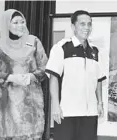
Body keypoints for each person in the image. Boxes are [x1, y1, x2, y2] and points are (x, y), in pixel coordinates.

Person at [45, 10, 105, 140]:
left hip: (90, 113)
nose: (87, 28)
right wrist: (55, 105)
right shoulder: (61, 47)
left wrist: (100, 103)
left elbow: (98, 80)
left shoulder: (95, 51)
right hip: (67, 111)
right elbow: (53, 77)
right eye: (82, 24)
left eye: (89, 24)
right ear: (73, 26)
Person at [0, 9, 48, 140]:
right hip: (6, 102)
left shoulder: (34, 41)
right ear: (7, 24)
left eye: (22, 22)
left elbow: (46, 66)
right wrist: (9, 77)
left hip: (31, 99)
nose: (20, 25)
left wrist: (32, 76)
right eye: (15, 22)